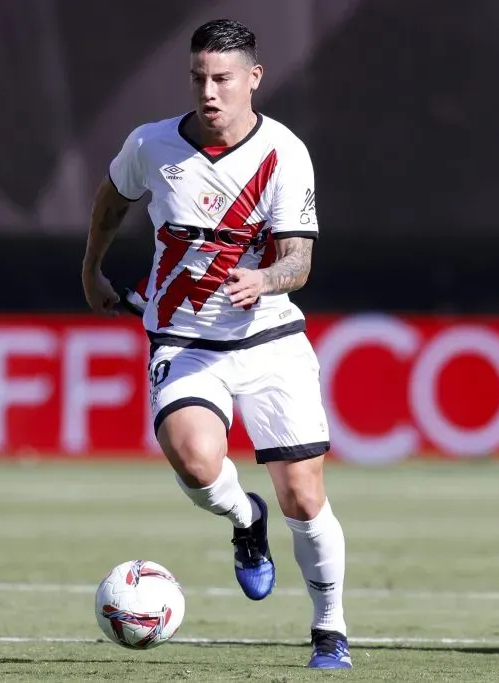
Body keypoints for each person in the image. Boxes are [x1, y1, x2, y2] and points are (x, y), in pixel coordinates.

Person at [80, 18, 351, 670]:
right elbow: (113, 200)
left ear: (253, 78)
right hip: (185, 338)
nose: (209, 91)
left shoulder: (283, 153)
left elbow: (299, 261)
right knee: (195, 460)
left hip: (269, 338)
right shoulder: (152, 144)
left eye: (223, 78)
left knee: (305, 495)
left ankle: (329, 629)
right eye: (199, 77)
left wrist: (264, 277)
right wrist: (91, 268)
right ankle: (244, 521)